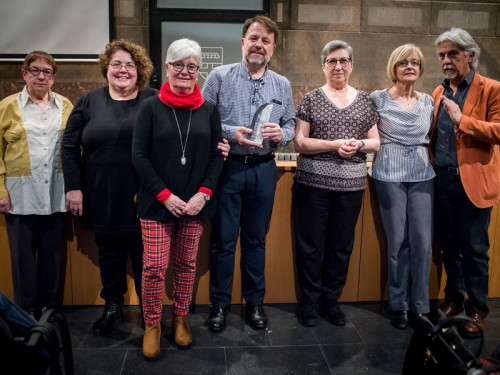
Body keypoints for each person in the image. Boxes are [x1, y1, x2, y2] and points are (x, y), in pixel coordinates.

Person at [201, 15, 296, 331]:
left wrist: (279, 135)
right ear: (243, 42)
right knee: (224, 242)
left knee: (256, 241)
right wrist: (230, 132)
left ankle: (255, 304)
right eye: (254, 38)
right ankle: (219, 306)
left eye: (265, 40)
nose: (259, 45)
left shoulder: (281, 84)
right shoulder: (220, 76)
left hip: (263, 170)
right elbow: (203, 120)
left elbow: (291, 125)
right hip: (228, 170)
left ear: (273, 47)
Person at [132, 38, 224, 360]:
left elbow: (217, 157)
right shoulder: (150, 107)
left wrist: (204, 193)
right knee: (155, 267)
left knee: (186, 264)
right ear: (167, 68)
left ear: (199, 71)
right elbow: (139, 156)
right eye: (179, 65)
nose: (186, 71)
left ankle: (180, 318)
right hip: (157, 204)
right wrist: (165, 195)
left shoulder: (210, 110)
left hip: (195, 205)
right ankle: (153, 324)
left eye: (192, 66)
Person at [61, 40, 157, 336]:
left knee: (145, 255)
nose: (123, 70)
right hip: (101, 193)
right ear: (106, 68)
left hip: (144, 194)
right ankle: (113, 307)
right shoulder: (89, 101)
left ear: (139, 70)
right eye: (116, 64)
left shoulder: (153, 99)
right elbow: (68, 146)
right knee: (109, 254)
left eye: (130, 64)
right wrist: (74, 188)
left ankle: (149, 312)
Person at [292, 40, 380, 327]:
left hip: (351, 188)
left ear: (352, 65)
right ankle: (310, 302)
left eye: (343, 60)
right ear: (323, 66)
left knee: (341, 245)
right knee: (310, 246)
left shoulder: (365, 100)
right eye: (332, 61)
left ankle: (331, 301)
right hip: (313, 185)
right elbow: (300, 142)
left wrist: (358, 144)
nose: (338, 66)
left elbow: (376, 141)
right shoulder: (311, 99)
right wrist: (333, 144)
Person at [430, 28, 500, 336]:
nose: (446, 60)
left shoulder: (491, 89)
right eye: (442, 55)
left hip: (473, 183)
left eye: (453, 54)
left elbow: (498, 131)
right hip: (442, 182)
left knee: (474, 249)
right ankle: (453, 299)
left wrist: (463, 121)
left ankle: (477, 310)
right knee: (449, 247)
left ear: (469, 56)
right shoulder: (437, 92)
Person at [0, 51, 73, 318]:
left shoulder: (65, 106)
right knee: (23, 261)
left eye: (47, 72)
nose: (41, 76)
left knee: (52, 257)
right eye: (35, 70)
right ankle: (26, 314)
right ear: (24, 73)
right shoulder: (6, 106)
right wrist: (0, 192)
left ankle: (49, 310)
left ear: (53, 77)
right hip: (20, 197)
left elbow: (74, 147)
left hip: (56, 193)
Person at [369, 44, 435, 329]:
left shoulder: (430, 101)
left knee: (422, 241)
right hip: (389, 174)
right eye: (403, 63)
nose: (410, 66)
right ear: (393, 67)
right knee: (398, 242)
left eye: (415, 63)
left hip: (422, 174)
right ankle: (399, 305)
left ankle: (420, 305)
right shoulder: (377, 99)